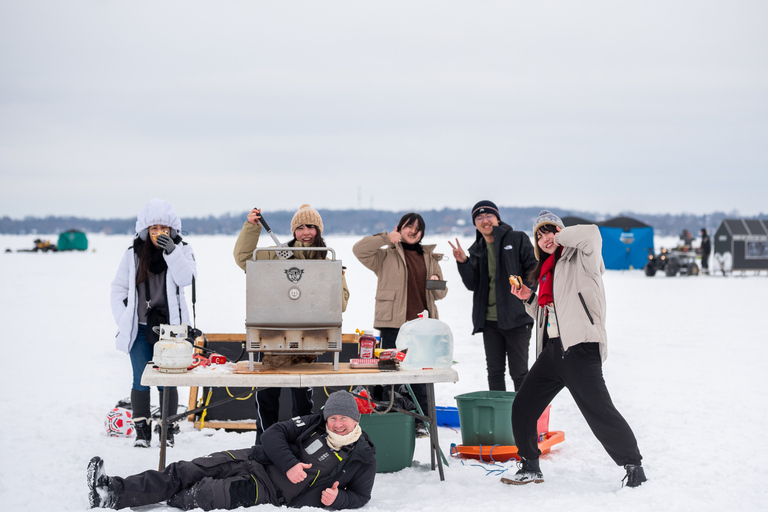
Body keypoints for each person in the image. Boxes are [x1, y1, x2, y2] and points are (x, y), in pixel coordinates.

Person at [503, 210, 646, 487]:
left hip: (581, 349)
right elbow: (551, 314)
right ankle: (530, 465)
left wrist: (560, 235)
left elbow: (591, 232)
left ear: (561, 232)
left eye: (550, 231)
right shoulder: (547, 272)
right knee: (523, 405)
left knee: (599, 411)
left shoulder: (582, 258)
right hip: (553, 352)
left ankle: (633, 466)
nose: (546, 238)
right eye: (540, 235)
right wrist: (529, 298)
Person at [87, 391, 377, 510]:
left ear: (356, 420)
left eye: (344, 419)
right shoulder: (314, 422)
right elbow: (274, 433)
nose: (337, 424)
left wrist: (338, 499)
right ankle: (113, 491)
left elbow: (361, 496)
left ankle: (149, 498)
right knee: (187, 469)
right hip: (254, 459)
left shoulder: (362, 457)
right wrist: (289, 463)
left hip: (269, 491)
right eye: (333, 417)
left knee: (202, 493)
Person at [233, 204, 350, 442]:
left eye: (311, 227)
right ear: (294, 231)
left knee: (302, 404)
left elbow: (342, 303)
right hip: (272, 338)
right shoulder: (277, 254)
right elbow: (244, 259)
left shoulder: (329, 261)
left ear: (319, 230)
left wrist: (329, 284)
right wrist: (251, 228)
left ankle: (301, 445)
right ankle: (265, 446)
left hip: (309, 342)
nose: (306, 232)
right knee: (266, 400)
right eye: (300, 227)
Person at [110, 198, 197, 448]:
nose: (159, 233)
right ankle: (142, 431)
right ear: (146, 230)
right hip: (139, 327)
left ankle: (168, 428)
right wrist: (124, 318)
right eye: (154, 229)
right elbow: (117, 289)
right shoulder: (133, 255)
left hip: (171, 330)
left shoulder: (184, 250)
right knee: (141, 378)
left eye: (164, 229)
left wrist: (172, 252)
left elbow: (186, 279)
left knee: (167, 379)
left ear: (172, 230)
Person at [352, 212, 448, 437]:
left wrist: (436, 284)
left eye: (418, 228)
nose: (413, 232)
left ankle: (422, 422)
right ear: (400, 228)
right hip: (392, 324)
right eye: (408, 227)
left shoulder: (430, 257)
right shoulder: (385, 256)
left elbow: (441, 294)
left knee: (422, 375)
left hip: (423, 327)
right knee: (391, 375)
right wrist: (387, 238)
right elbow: (359, 249)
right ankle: (391, 419)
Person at [448, 200, 538, 391]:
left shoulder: (517, 239)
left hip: (517, 319)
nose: (485, 220)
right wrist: (463, 262)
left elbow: (533, 267)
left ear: (497, 218)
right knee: (495, 372)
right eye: (479, 218)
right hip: (490, 322)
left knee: (520, 373)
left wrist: (526, 289)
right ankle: (500, 418)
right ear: (475, 224)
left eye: (489, 216)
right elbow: (473, 284)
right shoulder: (477, 249)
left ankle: (524, 417)